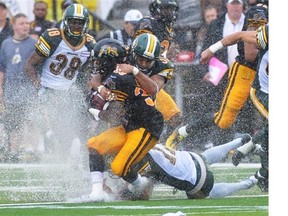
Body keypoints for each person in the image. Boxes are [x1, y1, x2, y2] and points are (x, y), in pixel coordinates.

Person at [86, 36, 164, 202]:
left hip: (146, 126)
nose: (143, 64)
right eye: (140, 60)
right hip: (129, 124)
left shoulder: (121, 77)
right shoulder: (116, 75)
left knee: (119, 167)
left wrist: (96, 111)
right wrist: (100, 88)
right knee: (94, 145)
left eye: (101, 63)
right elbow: (97, 80)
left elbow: (114, 115)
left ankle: (140, 184)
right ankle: (97, 191)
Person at [200, 23, 269, 192]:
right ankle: (251, 150)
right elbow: (239, 36)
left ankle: (262, 173)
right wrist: (211, 49)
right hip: (263, 91)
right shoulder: (271, 33)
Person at [25, 4, 96, 158]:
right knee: (54, 124)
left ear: (85, 24)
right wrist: (39, 86)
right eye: (73, 21)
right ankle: (50, 146)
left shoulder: (90, 43)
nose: (76, 26)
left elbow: (88, 72)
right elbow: (29, 65)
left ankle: (78, 156)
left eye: (80, 22)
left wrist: (88, 87)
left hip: (70, 90)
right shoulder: (53, 37)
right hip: (48, 87)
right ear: (66, 21)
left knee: (79, 124)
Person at [100, 134, 258, 201]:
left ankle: (249, 181)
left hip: (199, 181)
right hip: (191, 157)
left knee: (201, 194)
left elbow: (143, 193)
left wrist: (117, 195)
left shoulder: (140, 164)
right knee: (202, 157)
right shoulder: (140, 140)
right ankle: (239, 141)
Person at [132, 0, 183, 141]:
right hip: (138, 80)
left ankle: (162, 147)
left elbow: (160, 57)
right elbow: (141, 51)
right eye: (167, 8)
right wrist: (166, 54)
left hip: (152, 80)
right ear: (157, 8)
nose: (170, 13)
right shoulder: (148, 23)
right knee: (172, 117)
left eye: (172, 9)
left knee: (174, 118)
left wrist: (168, 55)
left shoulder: (167, 27)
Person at [0, 13, 37, 162]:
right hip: (11, 90)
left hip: (28, 90)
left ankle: (35, 150)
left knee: (32, 120)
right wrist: (1, 89)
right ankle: (13, 152)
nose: (25, 26)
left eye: (27, 23)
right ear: (14, 25)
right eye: (22, 23)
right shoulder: (6, 44)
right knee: (13, 123)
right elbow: (2, 69)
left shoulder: (34, 43)